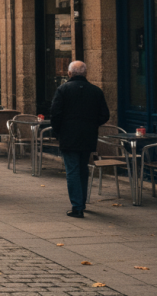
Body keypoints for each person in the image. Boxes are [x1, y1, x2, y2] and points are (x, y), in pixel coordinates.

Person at [50, 61, 110, 218]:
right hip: (88, 136)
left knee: (72, 171)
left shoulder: (63, 90)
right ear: (86, 73)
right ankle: (81, 202)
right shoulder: (96, 91)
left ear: (69, 73)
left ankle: (77, 207)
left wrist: (58, 132)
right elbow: (105, 115)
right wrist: (92, 124)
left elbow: (55, 114)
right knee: (83, 169)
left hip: (69, 136)